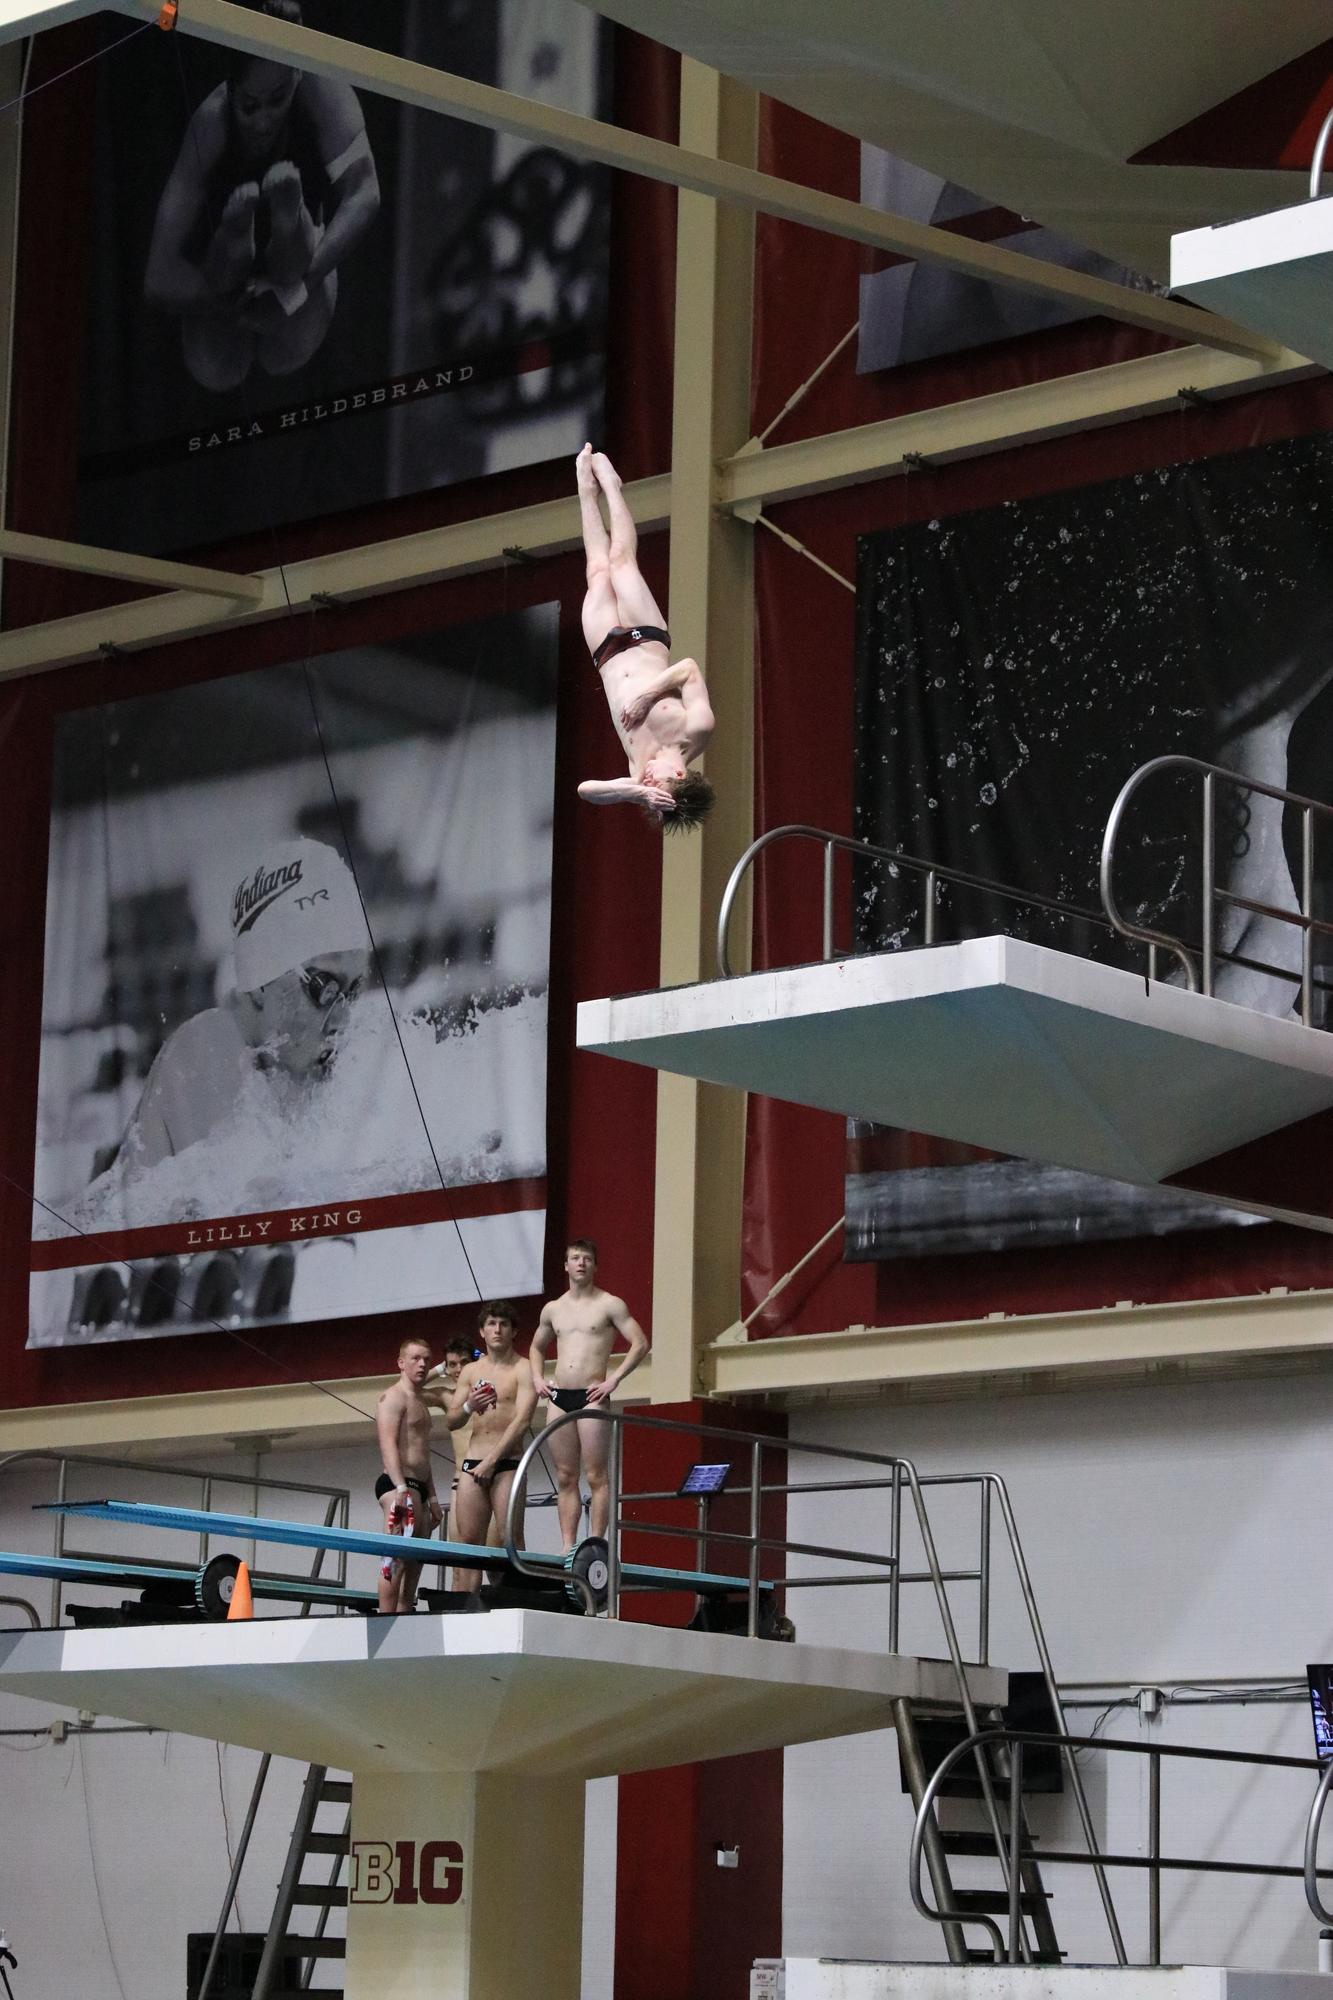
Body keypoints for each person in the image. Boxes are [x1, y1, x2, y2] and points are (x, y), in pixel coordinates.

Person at [144, 0, 380, 393]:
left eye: (278, 99)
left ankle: (290, 218)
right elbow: (158, 274)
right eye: (250, 106)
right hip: (225, 285)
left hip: (298, 267)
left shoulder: (324, 92)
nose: (264, 119)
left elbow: (366, 193)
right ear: (231, 89)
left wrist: (294, 293)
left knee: (285, 349)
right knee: (216, 369)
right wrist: (228, 309)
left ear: (298, 73)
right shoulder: (211, 123)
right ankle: (238, 234)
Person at [113, 835, 370, 1176]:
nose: (342, 1019)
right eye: (324, 988)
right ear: (261, 987)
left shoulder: (288, 1065)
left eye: (352, 991)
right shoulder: (204, 1052)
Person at [575, 445, 716, 831]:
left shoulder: (638, 775)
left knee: (597, 572)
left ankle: (586, 491)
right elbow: (687, 669)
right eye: (659, 786)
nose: (649, 781)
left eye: (650, 793)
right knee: (621, 558)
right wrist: (649, 696)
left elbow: (585, 790)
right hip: (645, 639)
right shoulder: (697, 728)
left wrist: (636, 792)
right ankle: (613, 486)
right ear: (682, 776)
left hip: (606, 653)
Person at [529, 1239, 649, 1550]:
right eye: (575, 1258)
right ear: (565, 1265)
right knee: (566, 1476)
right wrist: (537, 1378)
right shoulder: (553, 1308)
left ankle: (595, 1543)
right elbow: (536, 1347)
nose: (581, 1263)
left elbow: (640, 1343)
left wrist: (614, 1380)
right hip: (560, 1396)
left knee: (596, 1475)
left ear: (595, 1266)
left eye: (587, 1259)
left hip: (593, 1394)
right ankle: (568, 1547)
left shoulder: (610, 1304)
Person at [443, 1303, 538, 1593]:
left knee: (511, 1539)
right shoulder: (471, 1371)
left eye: (504, 1324)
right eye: (492, 1324)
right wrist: (470, 1404)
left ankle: (518, 1608)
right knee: (469, 1545)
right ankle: (466, 1616)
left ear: (514, 1331)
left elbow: (522, 1421)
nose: (497, 1330)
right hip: (473, 1462)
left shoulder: (524, 1369)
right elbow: (451, 1420)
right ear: (482, 1331)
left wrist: (492, 1462)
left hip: (507, 1463)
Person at [374, 1335, 443, 1613]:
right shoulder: (393, 1397)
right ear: (401, 1363)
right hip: (396, 1484)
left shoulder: (421, 1402)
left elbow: (423, 1456)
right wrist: (400, 1487)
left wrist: (434, 1499)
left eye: (427, 1359)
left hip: (420, 1486)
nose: (423, 1364)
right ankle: (385, 1617)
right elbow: (388, 1444)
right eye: (416, 1358)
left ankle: (404, 1616)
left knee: (416, 1560)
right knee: (396, 1559)